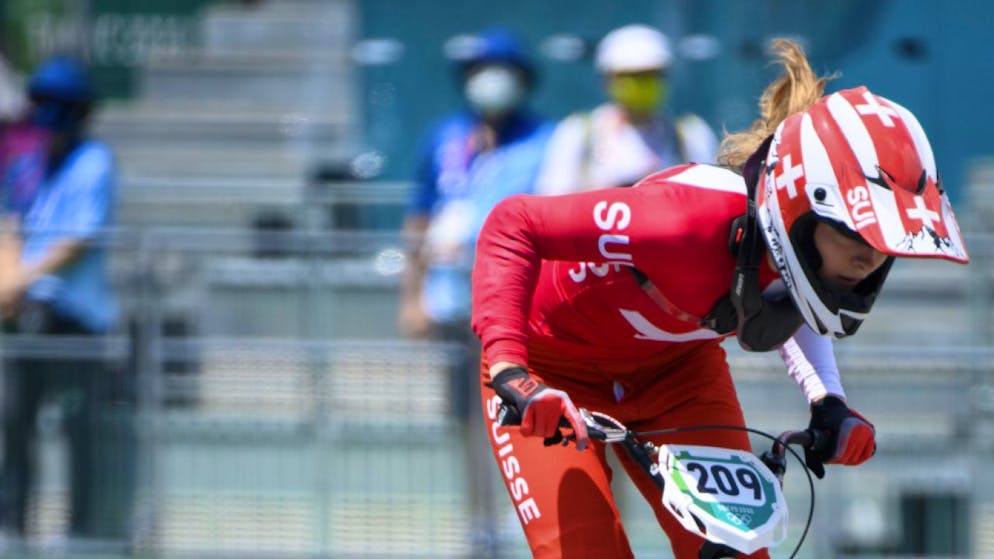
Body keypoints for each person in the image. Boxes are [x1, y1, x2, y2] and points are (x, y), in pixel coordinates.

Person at [472, 40, 969, 559]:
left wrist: (828, 402)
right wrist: (510, 370)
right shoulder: (681, 221)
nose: (870, 260)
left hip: (675, 376)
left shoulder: (788, 243)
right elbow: (513, 224)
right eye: (857, 236)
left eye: (882, 246)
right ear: (800, 209)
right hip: (551, 371)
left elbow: (792, 304)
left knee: (740, 554)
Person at [396, 27, 553, 554]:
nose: (489, 81)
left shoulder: (545, 141)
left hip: (519, 307)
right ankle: (479, 524)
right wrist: (411, 297)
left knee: (525, 416)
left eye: (501, 70)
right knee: (467, 420)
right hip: (450, 303)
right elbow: (418, 219)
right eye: (480, 70)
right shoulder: (444, 138)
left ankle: (531, 520)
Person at [0, 54, 133, 546]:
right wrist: (10, 281)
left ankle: (82, 532)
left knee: (79, 429)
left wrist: (21, 279)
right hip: (26, 316)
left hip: (76, 320)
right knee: (15, 423)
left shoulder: (95, 162)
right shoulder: (25, 165)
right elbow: (11, 226)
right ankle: (12, 527)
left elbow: (77, 241)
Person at [535, 23, 718, 195]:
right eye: (632, 77)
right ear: (607, 80)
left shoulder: (690, 134)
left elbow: (712, 197)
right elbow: (551, 200)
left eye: (651, 75)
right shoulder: (578, 132)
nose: (642, 84)